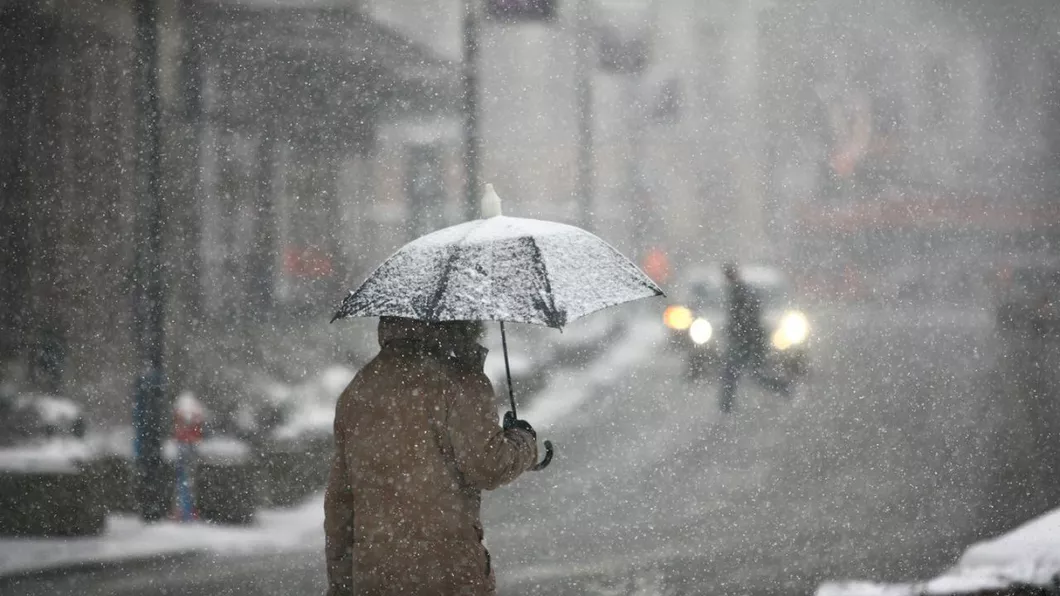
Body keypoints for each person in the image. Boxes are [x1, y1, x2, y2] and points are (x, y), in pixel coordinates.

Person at [324, 316, 539, 596]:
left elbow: (340, 503)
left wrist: (341, 585)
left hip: (375, 577)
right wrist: (524, 441)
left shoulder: (359, 389)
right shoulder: (462, 381)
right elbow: (488, 466)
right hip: (448, 573)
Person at [718, 263, 788, 412]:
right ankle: (783, 388)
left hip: (746, 342)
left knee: (736, 373)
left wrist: (739, 334)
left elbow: (746, 319)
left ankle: (726, 405)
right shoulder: (739, 292)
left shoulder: (740, 293)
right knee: (751, 373)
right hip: (748, 341)